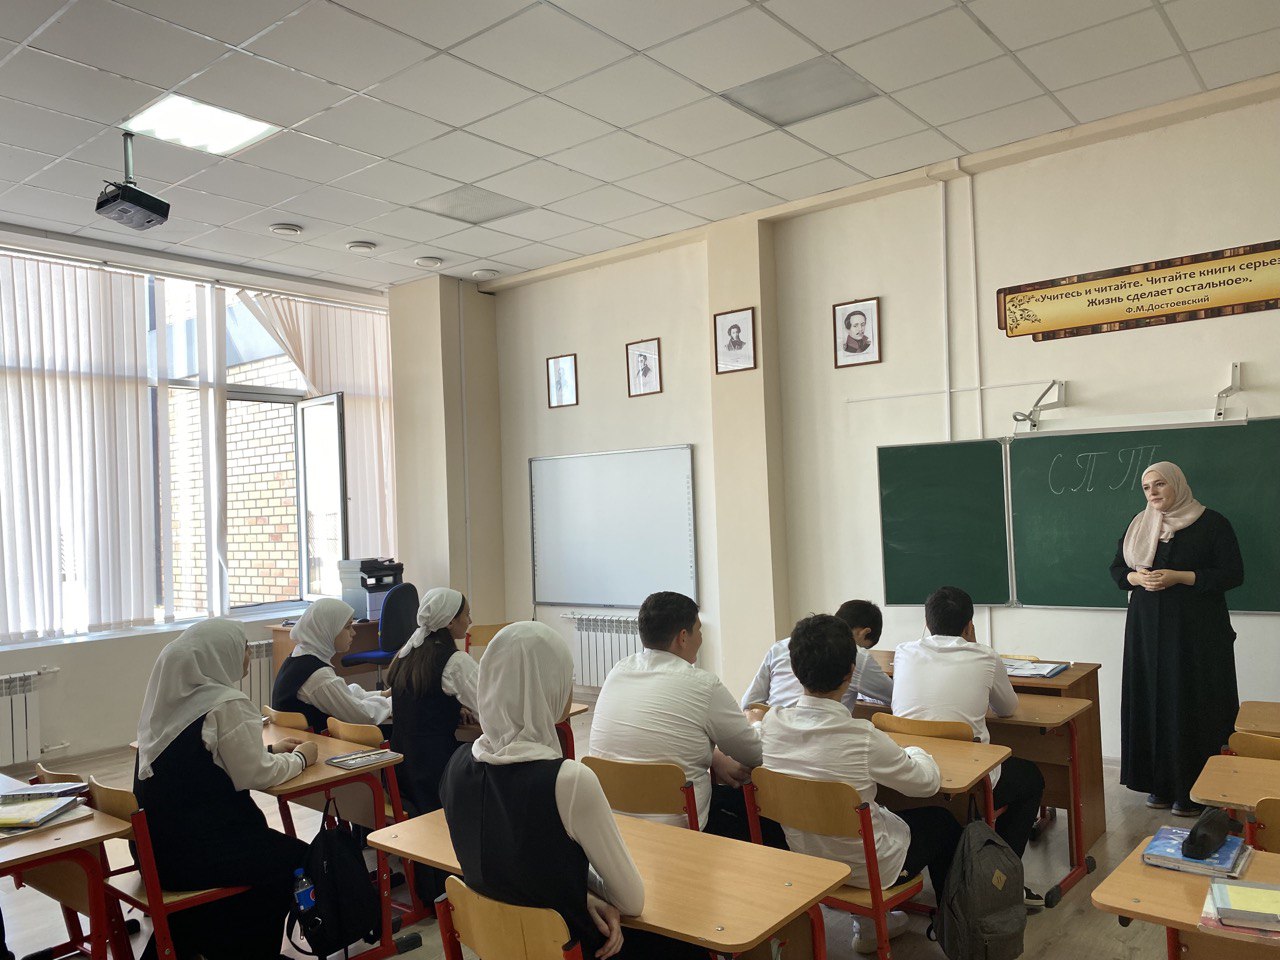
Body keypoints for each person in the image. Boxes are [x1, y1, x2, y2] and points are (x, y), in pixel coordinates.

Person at [438, 622, 702, 959]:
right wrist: (585, 890)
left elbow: (506, 871)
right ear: (546, 686)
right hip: (571, 949)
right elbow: (631, 901)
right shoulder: (568, 780)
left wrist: (579, 893)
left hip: (502, 945)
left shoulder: (457, 765)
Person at [762, 614, 959, 955]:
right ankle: (953, 931)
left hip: (807, 859)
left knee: (861, 813)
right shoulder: (863, 737)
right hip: (867, 869)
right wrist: (917, 751)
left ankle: (870, 925)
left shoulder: (771, 726)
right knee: (943, 822)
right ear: (850, 673)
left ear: (794, 670)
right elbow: (926, 784)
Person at [134, 619, 316, 960]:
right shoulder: (225, 703)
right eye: (243, 647)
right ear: (218, 655)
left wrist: (268, 750)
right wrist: (301, 759)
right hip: (201, 854)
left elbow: (205, 760)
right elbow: (258, 775)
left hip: (156, 856)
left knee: (269, 855)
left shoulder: (164, 708)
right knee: (299, 859)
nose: (247, 654)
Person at [891, 586, 1046, 909]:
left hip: (908, 778)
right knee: (1031, 778)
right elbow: (1007, 708)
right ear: (969, 626)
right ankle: (999, 877)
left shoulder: (904, 652)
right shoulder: (985, 656)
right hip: (967, 786)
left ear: (927, 623)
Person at [1110, 461, 1243, 816]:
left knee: (1192, 703)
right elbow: (1118, 570)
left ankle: (1195, 791)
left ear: (1177, 484)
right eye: (1146, 487)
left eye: (1159, 484)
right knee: (1153, 700)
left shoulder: (1212, 523)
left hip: (1197, 634)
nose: (1152, 492)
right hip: (1146, 631)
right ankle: (1158, 784)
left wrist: (1180, 577)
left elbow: (1232, 574)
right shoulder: (1140, 524)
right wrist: (1138, 579)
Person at [589, 591, 765, 840]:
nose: (701, 637)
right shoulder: (704, 685)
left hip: (613, 826)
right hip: (680, 831)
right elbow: (755, 754)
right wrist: (755, 723)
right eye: (699, 630)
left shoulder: (618, 671)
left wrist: (714, 757)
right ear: (683, 637)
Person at [386, 587, 478, 902]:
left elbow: (422, 702)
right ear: (450, 622)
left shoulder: (407, 653)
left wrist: (453, 707)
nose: (470, 620)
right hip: (437, 767)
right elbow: (491, 706)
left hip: (403, 765)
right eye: (466, 614)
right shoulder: (454, 661)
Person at [741, 598, 893, 711]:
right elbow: (895, 696)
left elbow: (749, 703)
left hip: (775, 735)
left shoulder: (780, 647)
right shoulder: (859, 657)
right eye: (863, 646)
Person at [271, 598, 393, 733]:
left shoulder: (299, 656)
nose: (353, 633)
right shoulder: (318, 676)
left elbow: (342, 696)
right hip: (318, 742)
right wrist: (395, 702)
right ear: (327, 629)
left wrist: (384, 694)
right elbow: (363, 717)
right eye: (347, 627)